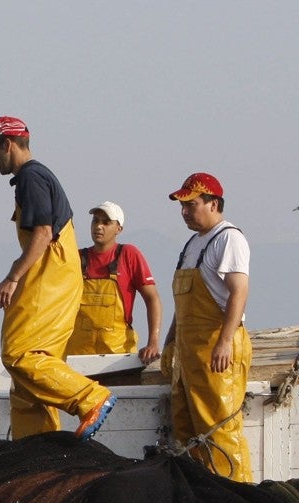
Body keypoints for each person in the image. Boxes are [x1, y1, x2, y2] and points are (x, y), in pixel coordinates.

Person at [0, 116, 115, 441]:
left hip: (50, 278)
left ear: (7, 144)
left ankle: (91, 398)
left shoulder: (31, 177)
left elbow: (43, 233)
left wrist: (12, 277)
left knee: (20, 354)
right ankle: (38, 448)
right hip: (56, 278)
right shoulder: (33, 178)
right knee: (29, 380)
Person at [163, 172, 252, 482]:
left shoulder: (228, 238)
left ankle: (237, 497)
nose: (186, 211)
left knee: (219, 429)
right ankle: (202, 499)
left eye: (192, 204)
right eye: (183, 205)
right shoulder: (192, 243)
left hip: (216, 353)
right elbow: (182, 302)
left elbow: (239, 291)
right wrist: (170, 342)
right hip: (190, 355)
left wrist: (225, 342)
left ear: (214, 203)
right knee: (188, 435)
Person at [65, 201, 163, 363]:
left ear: (119, 229)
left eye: (106, 222)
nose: (98, 226)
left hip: (117, 355)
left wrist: (153, 342)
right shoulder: (77, 258)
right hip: (77, 354)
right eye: (95, 221)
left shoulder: (128, 254)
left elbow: (152, 299)